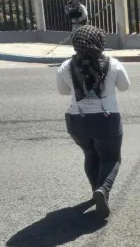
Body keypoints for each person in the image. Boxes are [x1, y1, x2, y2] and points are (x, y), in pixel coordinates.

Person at [56, 25, 130, 218]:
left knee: (90, 154)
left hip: (77, 120)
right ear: (100, 42)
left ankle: (95, 191)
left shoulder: (65, 66)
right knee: (111, 158)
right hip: (106, 120)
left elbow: (63, 91)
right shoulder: (112, 64)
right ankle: (103, 190)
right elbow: (124, 86)